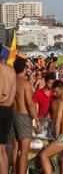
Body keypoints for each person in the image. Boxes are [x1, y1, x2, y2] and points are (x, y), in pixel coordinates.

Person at [11, 59, 40, 174]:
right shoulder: (25, 83)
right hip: (23, 116)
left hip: (13, 114)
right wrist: (36, 119)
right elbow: (29, 103)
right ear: (24, 69)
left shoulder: (11, 82)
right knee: (24, 151)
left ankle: (14, 171)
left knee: (15, 148)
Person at [0, 44, 16, 174]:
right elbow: (12, 92)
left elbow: (3, 94)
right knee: (2, 148)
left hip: (1, 108)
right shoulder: (11, 70)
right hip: (8, 111)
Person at [49, 79, 63, 174]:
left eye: (57, 92)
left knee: (62, 158)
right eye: (54, 92)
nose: (55, 93)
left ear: (62, 89)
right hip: (54, 129)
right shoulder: (53, 100)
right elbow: (49, 114)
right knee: (55, 157)